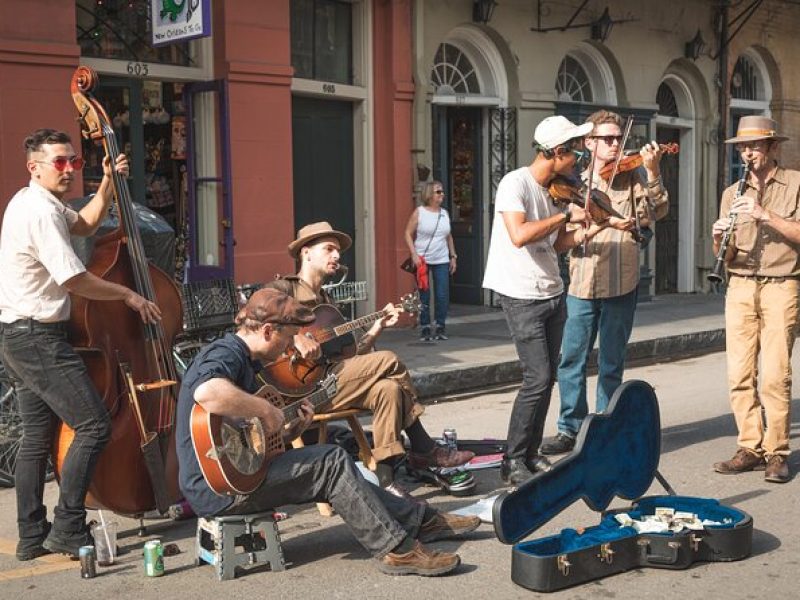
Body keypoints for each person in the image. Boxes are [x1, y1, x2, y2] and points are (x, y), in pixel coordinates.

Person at [176, 287, 480, 576]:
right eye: (288, 337)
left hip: (238, 473)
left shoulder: (250, 363)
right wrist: (266, 410)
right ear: (268, 331)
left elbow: (251, 443)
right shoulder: (226, 353)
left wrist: (290, 429)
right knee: (330, 461)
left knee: (335, 465)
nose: (289, 346)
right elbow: (207, 392)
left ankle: (420, 520)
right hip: (219, 489)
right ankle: (397, 550)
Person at [0, 128, 161, 560]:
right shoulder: (39, 212)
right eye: (60, 162)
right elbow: (74, 279)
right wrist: (128, 294)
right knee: (94, 424)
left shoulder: (38, 202)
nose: (70, 169)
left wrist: (107, 182)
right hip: (36, 337)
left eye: (73, 161)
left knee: (36, 438)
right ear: (34, 167)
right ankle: (68, 526)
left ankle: (32, 536)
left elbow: (88, 222)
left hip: (22, 336)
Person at [266, 222, 474, 498]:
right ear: (306, 253)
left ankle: (386, 481)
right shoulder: (283, 289)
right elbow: (251, 320)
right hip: (301, 392)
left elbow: (352, 359)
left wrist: (377, 328)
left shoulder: (327, 303)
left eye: (338, 251)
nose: (337, 256)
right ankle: (424, 448)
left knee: (388, 389)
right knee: (389, 359)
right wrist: (293, 338)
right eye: (329, 249)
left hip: (333, 381)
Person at [483, 115, 617, 485]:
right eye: (573, 151)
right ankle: (511, 459)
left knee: (549, 378)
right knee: (537, 378)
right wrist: (564, 216)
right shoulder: (516, 183)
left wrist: (589, 230)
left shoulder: (553, 190)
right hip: (521, 294)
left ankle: (531, 452)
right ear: (556, 153)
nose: (578, 159)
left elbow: (555, 245)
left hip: (551, 290)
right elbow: (519, 234)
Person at [541, 110, 668, 456]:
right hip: (582, 282)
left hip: (621, 281)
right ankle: (570, 428)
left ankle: (606, 429)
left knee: (612, 361)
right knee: (571, 359)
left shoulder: (634, 177)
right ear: (589, 143)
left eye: (617, 139)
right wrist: (600, 224)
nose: (615, 145)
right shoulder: (572, 181)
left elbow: (659, 211)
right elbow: (562, 236)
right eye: (607, 139)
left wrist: (653, 170)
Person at [710, 115, 800, 484]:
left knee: (775, 375)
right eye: (743, 147)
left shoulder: (795, 183)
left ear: (773, 147)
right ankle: (750, 446)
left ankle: (777, 452)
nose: (748, 153)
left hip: (782, 283)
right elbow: (726, 254)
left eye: (755, 146)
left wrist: (765, 215)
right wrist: (718, 239)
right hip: (741, 284)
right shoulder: (733, 193)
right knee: (739, 373)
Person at [403, 181, 457, 341]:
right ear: (429, 195)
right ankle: (425, 326)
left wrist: (453, 256)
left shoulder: (444, 213)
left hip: (442, 259)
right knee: (424, 295)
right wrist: (413, 254)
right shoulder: (419, 212)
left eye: (442, 192)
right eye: (438, 192)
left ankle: (440, 325)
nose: (442, 194)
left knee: (442, 294)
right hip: (422, 260)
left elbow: (448, 236)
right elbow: (407, 233)